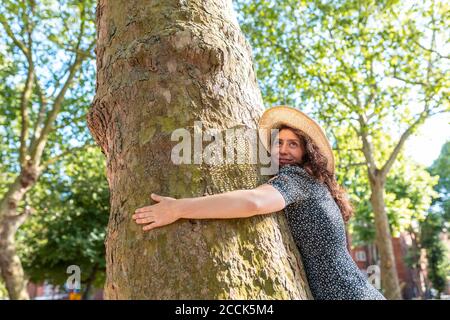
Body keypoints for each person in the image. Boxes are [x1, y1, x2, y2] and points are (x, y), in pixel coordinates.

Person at [132, 105, 386, 300]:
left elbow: (253, 202)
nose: (283, 150)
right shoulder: (316, 186)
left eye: (293, 144)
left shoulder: (297, 177)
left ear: (307, 152)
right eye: (279, 143)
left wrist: (178, 208)